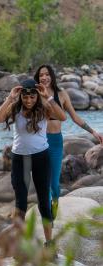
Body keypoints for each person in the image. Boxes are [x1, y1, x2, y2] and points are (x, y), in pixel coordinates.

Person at [0, 79, 66, 244]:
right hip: (20, 160)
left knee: (43, 202)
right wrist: (10, 98)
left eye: (32, 97)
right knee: (21, 204)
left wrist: (48, 97)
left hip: (41, 157)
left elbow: (62, 117)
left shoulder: (44, 108)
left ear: (36, 96)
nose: (28, 101)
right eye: (25, 97)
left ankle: (49, 243)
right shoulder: (15, 108)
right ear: (21, 96)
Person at [34, 65, 103, 220]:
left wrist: (92, 131)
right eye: (41, 75)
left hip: (56, 142)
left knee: (55, 186)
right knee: (42, 182)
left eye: (46, 74)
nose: (44, 78)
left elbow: (74, 117)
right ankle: (47, 218)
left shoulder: (62, 94)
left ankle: (54, 211)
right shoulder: (35, 95)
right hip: (39, 142)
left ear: (52, 76)